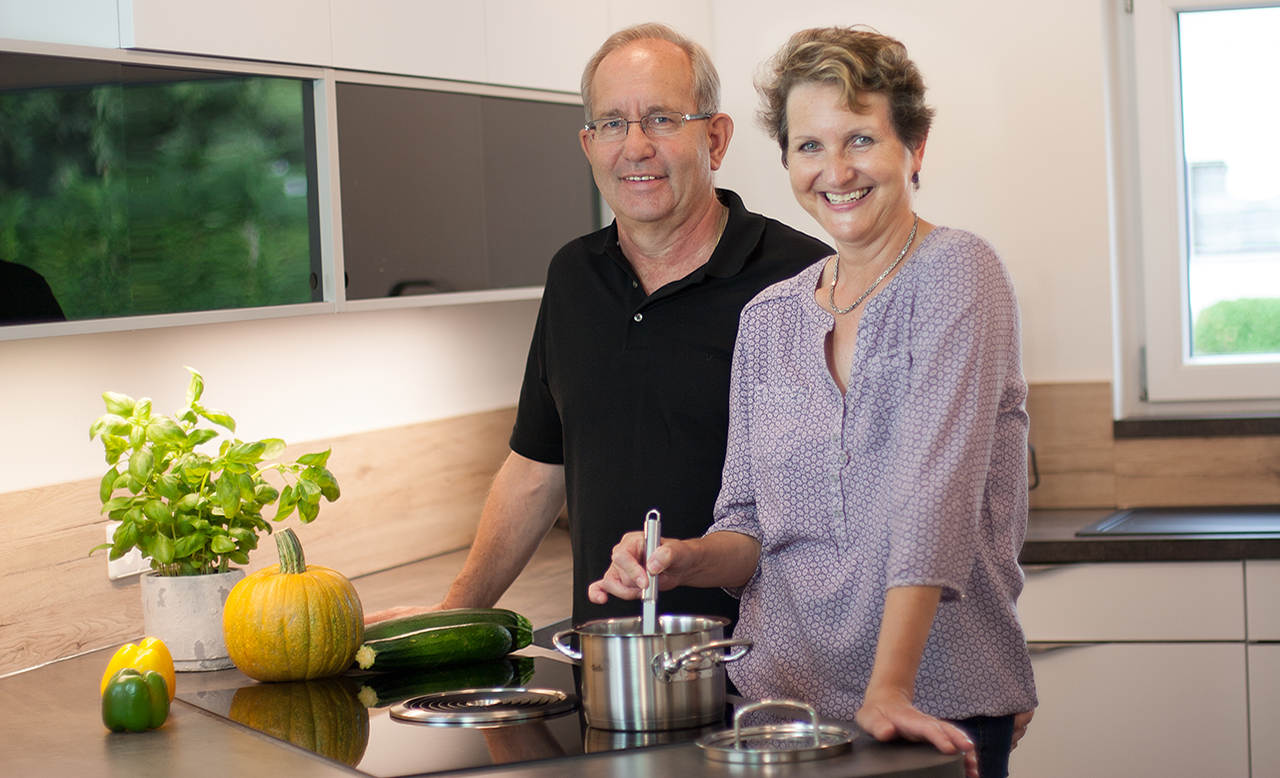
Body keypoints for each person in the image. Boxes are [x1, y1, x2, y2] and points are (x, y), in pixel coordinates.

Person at [588, 26, 1036, 778]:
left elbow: (936, 500)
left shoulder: (959, 273)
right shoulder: (770, 317)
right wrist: (684, 558)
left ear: (914, 148)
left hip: (930, 706)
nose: (836, 170)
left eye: (860, 139)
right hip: (778, 709)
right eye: (809, 146)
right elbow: (749, 525)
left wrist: (889, 689)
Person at [367, 24, 830, 628]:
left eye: (662, 119)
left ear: (715, 139)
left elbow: (833, 510)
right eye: (612, 123)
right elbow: (537, 467)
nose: (635, 146)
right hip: (608, 658)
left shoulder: (803, 281)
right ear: (588, 145)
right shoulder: (573, 276)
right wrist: (457, 611)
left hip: (761, 663)